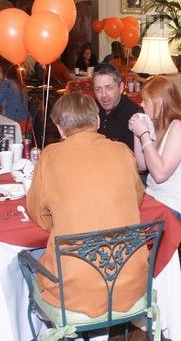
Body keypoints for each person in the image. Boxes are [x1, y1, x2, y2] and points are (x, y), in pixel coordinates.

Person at [26, 93, 147, 317]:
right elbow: (136, 200)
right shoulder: (122, 151)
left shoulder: (50, 156)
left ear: (60, 129)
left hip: (73, 292)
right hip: (130, 283)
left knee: (24, 260)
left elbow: (40, 216)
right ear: (98, 122)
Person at [128, 76, 181, 224]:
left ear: (159, 102)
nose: (141, 104)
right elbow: (142, 166)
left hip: (176, 206)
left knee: (124, 222)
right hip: (156, 196)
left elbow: (160, 174)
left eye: (145, 100)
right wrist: (137, 134)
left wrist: (144, 134)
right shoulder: (158, 122)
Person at [93, 63, 142, 151]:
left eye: (109, 88)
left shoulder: (135, 115)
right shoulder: (91, 110)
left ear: (121, 87)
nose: (104, 95)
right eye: (98, 89)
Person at [0, 57, 30, 131]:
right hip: (26, 122)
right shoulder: (19, 82)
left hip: (13, 126)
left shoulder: (6, 83)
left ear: (5, 70)